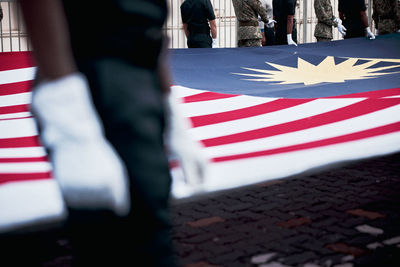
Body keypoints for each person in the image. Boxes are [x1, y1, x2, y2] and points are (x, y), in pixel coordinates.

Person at [18, 0, 177, 266]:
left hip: (140, 70)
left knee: (150, 219)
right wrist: (64, 100)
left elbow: (151, 24)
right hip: (98, 71)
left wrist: (167, 98)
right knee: (115, 237)